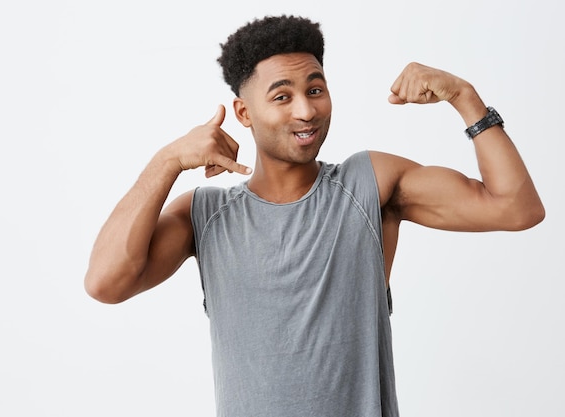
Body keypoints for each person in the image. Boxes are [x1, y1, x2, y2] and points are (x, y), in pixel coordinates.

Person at [84, 15, 545, 417]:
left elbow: (516, 207)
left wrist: (465, 97)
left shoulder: (371, 184)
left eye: (316, 89)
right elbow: (105, 283)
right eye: (282, 97)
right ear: (244, 112)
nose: (306, 110)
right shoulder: (205, 215)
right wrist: (166, 161)